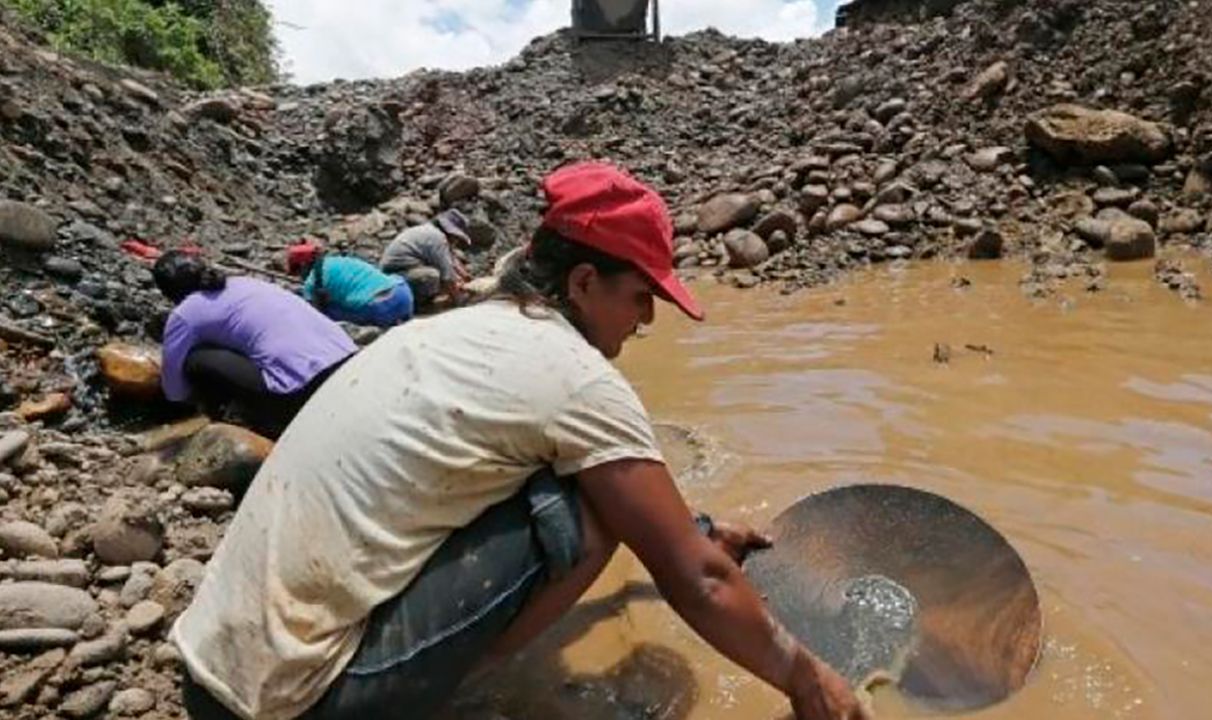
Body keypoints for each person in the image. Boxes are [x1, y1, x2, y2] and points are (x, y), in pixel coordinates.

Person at [173, 162, 869, 720]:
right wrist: (810, 683)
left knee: (555, 478)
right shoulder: (575, 377)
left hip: (210, 671)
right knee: (592, 503)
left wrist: (699, 527)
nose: (648, 318)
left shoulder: (447, 331)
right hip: (299, 701)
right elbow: (700, 580)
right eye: (640, 296)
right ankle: (453, 696)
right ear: (585, 281)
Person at [152, 251, 357, 440]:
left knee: (195, 360)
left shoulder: (186, 314)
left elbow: (175, 391)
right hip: (352, 368)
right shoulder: (244, 283)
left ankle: (229, 425)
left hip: (302, 391)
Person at [286, 242, 413, 327]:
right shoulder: (340, 260)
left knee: (328, 311)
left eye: (297, 270)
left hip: (380, 309)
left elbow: (315, 317)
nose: (299, 275)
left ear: (303, 265)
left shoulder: (311, 282)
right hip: (403, 294)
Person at [379, 208, 473, 310]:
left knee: (442, 280)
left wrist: (465, 276)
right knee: (432, 277)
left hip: (398, 274)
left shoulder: (431, 232)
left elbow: (451, 259)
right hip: (394, 278)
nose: (456, 241)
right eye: (457, 238)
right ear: (450, 233)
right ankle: (417, 306)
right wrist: (459, 300)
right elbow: (448, 276)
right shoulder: (437, 238)